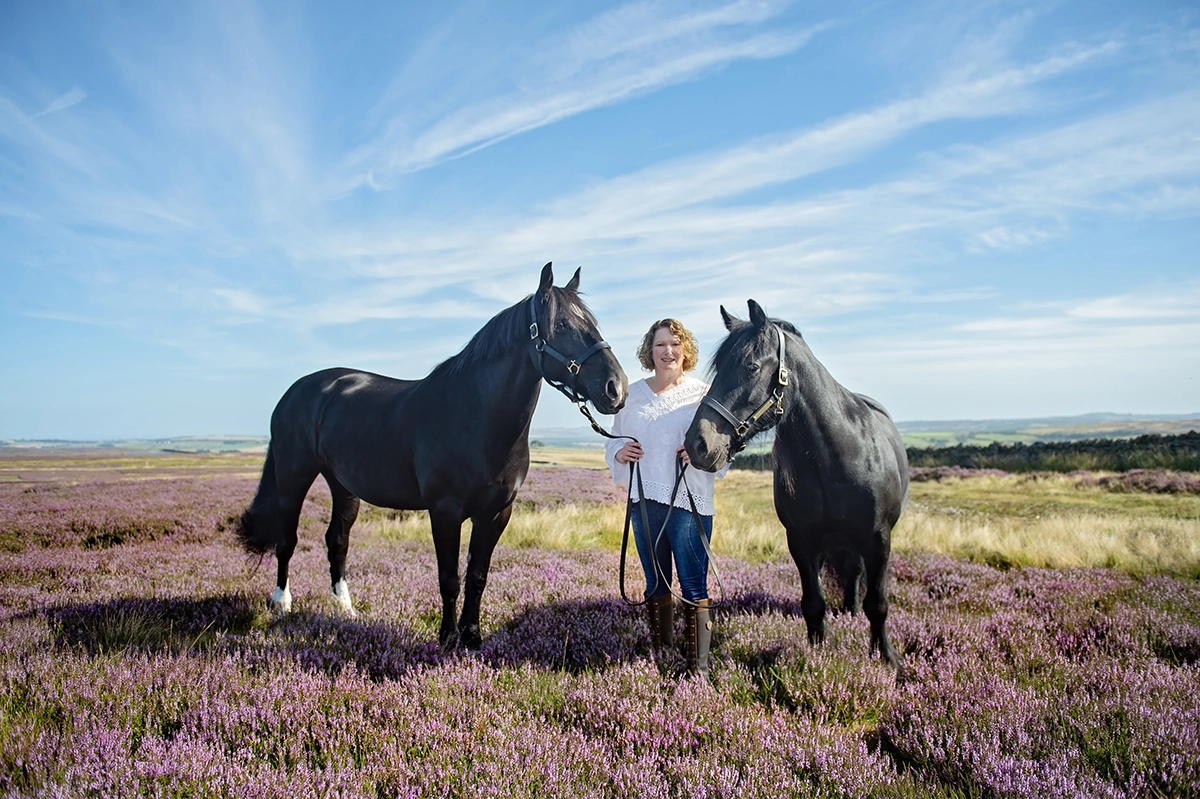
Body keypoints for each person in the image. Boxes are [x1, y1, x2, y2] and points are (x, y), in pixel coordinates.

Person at [605, 318, 725, 676]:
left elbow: (721, 446)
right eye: (660, 345)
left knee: (692, 583)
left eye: (674, 344)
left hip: (689, 504)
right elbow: (615, 437)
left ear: (685, 349)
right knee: (655, 582)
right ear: (650, 350)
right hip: (644, 502)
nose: (668, 351)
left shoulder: (704, 394)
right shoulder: (632, 395)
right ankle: (662, 657)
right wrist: (619, 451)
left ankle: (698, 669)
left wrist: (702, 454)